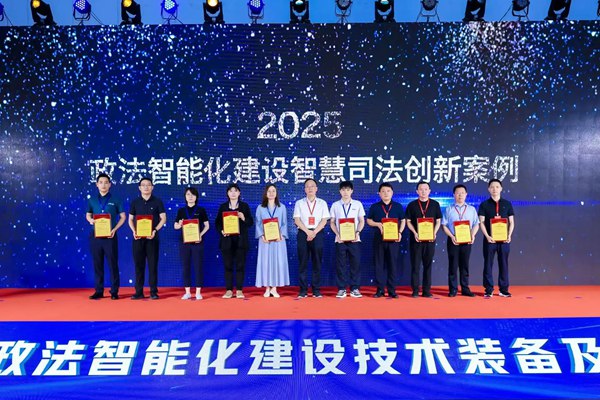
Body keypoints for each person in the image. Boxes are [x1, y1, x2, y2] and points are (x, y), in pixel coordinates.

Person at [86, 173, 126, 300]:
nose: (103, 185)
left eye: (106, 182)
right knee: (97, 264)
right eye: (101, 182)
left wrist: (115, 229)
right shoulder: (92, 200)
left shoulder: (116, 199)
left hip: (110, 236)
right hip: (96, 236)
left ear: (110, 184)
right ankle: (99, 291)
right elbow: (88, 214)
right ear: (97, 184)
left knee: (112, 264)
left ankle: (114, 291)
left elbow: (123, 217)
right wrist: (90, 220)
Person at [128, 177, 167, 300]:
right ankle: (138, 292)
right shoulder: (135, 202)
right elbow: (130, 219)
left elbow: (163, 218)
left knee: (152, 265)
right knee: (138, 266)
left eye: (148, 185)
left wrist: (155, 230)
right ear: (139, 188)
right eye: (143, 185)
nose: (146, 187)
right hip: (138, 239)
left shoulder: (158, 202)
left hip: (152, 238)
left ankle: (153, 292)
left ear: (152, 187)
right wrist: (134, 231)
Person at [366, 182, 405, 298]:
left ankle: (392, 290)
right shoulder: (375, 207)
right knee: (379, 265)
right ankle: (380, 290)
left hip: (393, 240)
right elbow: (369, 220)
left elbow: (403, 220)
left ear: (392, 193)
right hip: (379, 240)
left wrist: (400, 232)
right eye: (383, 191)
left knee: (392, 265)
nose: (386, 193)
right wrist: (377, 224)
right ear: (379, 193)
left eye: (388, 191)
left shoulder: (398, 206)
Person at [215, 183, 254, 299]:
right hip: (227, 241)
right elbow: (217, 223)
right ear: (227, 193)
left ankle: (239, 290)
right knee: (228, 266)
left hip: (241, 242)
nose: (233, 193)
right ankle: (228, 290)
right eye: (230, 191)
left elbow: (250, 222)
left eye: (235, 191)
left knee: (240, 266)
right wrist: (222, 231)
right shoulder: (223, 207)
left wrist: (243, 218)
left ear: (239, 193)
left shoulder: (244, 206)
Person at [478, 179, 515, 298]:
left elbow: (511, 222)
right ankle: (488, 289)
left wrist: (509, 235)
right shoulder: (484, 204)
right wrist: (487, 236)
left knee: (504, 264)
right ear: (488, 189)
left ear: (501, 189)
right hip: (490, 240)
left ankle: (503, 289)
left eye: (497, 187)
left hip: (504, 240)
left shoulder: (507, 204)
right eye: (492, 187)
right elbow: (481, 222)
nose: (495, 189)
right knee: (488, 264)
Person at [293, 178, 330, 298]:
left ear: (316, 189)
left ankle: (316, 290)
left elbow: (324, 220)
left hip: (317, 233)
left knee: (317, 262)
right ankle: (303, 290)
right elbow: (297, 220)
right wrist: (307, 232)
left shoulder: (322, 203)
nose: (310, 188)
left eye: (312, 186)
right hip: (303, 233)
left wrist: (314, 232)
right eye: (307, 186)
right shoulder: (299, 203)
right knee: (302, 263)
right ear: (304, 189)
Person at [405, 181, 442, 298]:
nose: (423, 191)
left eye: (426, 189)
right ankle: (415, 290)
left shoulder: (435, 204)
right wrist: (415, 233)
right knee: (415, 266)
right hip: (416, 240)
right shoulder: (412, 205)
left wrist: (434, 233)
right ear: (417, 191)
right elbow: (408, 221)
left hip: (430, 240)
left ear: (429, 191)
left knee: (428, 265)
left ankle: (426, 291)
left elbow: (438, 221)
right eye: (421, 189)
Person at [441, 184, 480, 297]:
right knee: (453, 265)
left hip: (467, 241)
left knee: (465, 265)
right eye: (458, 193)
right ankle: (453, 289)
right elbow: (444, 225)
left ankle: (465, 288)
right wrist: (451, 236)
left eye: (462, 193)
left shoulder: (471, 209)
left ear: (466, 194)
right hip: (453, 240)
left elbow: (476, 224)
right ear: (454, 195)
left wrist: (473, 235)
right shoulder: (448, 209)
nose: (460, 195)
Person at [329, 181, 365, 299]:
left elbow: (362, 221)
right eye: (343, 190)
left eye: (348, 190)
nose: (345, 192)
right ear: (340, 191)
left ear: (352, 191)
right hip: (340, 240)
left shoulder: (358, 204)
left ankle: (355, 288)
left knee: (355, 264)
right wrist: (337, 234)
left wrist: (357, 232)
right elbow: (332, 222)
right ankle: (341, 289)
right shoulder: (335, 205)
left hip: (355, 239)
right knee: (341, 265)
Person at [174, 187, 209, 300]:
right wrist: (179, 225)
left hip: (197, 242)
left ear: (196, 197)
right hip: (184, 242)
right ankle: (187, 292)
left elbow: (207, 226)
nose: (190, 197)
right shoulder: (181, 211)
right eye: (188, 194)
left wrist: (200, 235)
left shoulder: (201, 210)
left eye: (193, 194)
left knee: (198, 266)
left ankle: (198, 292)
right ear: (185, 197)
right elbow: (175, 226)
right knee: (185, 266)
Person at [255, 184, 289, 297]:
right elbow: (258, 223)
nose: (271, 193)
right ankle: (267, 288)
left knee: (277, 263)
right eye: (269, 191)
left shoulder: (282, 207)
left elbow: (284, 223)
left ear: (276, 193)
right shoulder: (260, 208)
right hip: (265, 240)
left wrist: (281, 235)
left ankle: (274, 288)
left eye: (273, 191)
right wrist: (262, 236)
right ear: (265, 193)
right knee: (265, 263)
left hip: (278, 240)